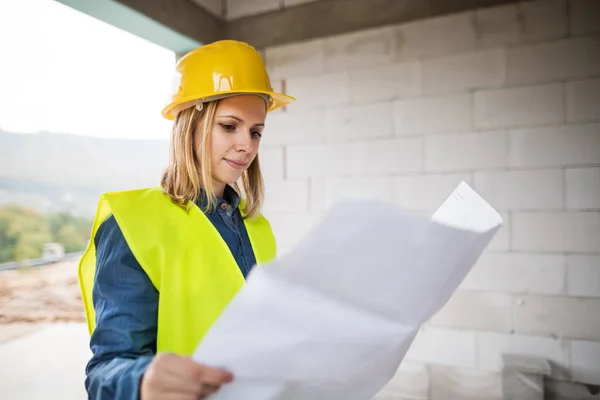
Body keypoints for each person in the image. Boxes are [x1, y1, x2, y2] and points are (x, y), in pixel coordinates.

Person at [79, 40, 295, 399]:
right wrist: (143, 380)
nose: (247, 145)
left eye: (256, 131)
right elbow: (106, 370)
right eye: (230, 126)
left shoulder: (257, 228)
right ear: (189, 124)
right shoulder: (133, 223)